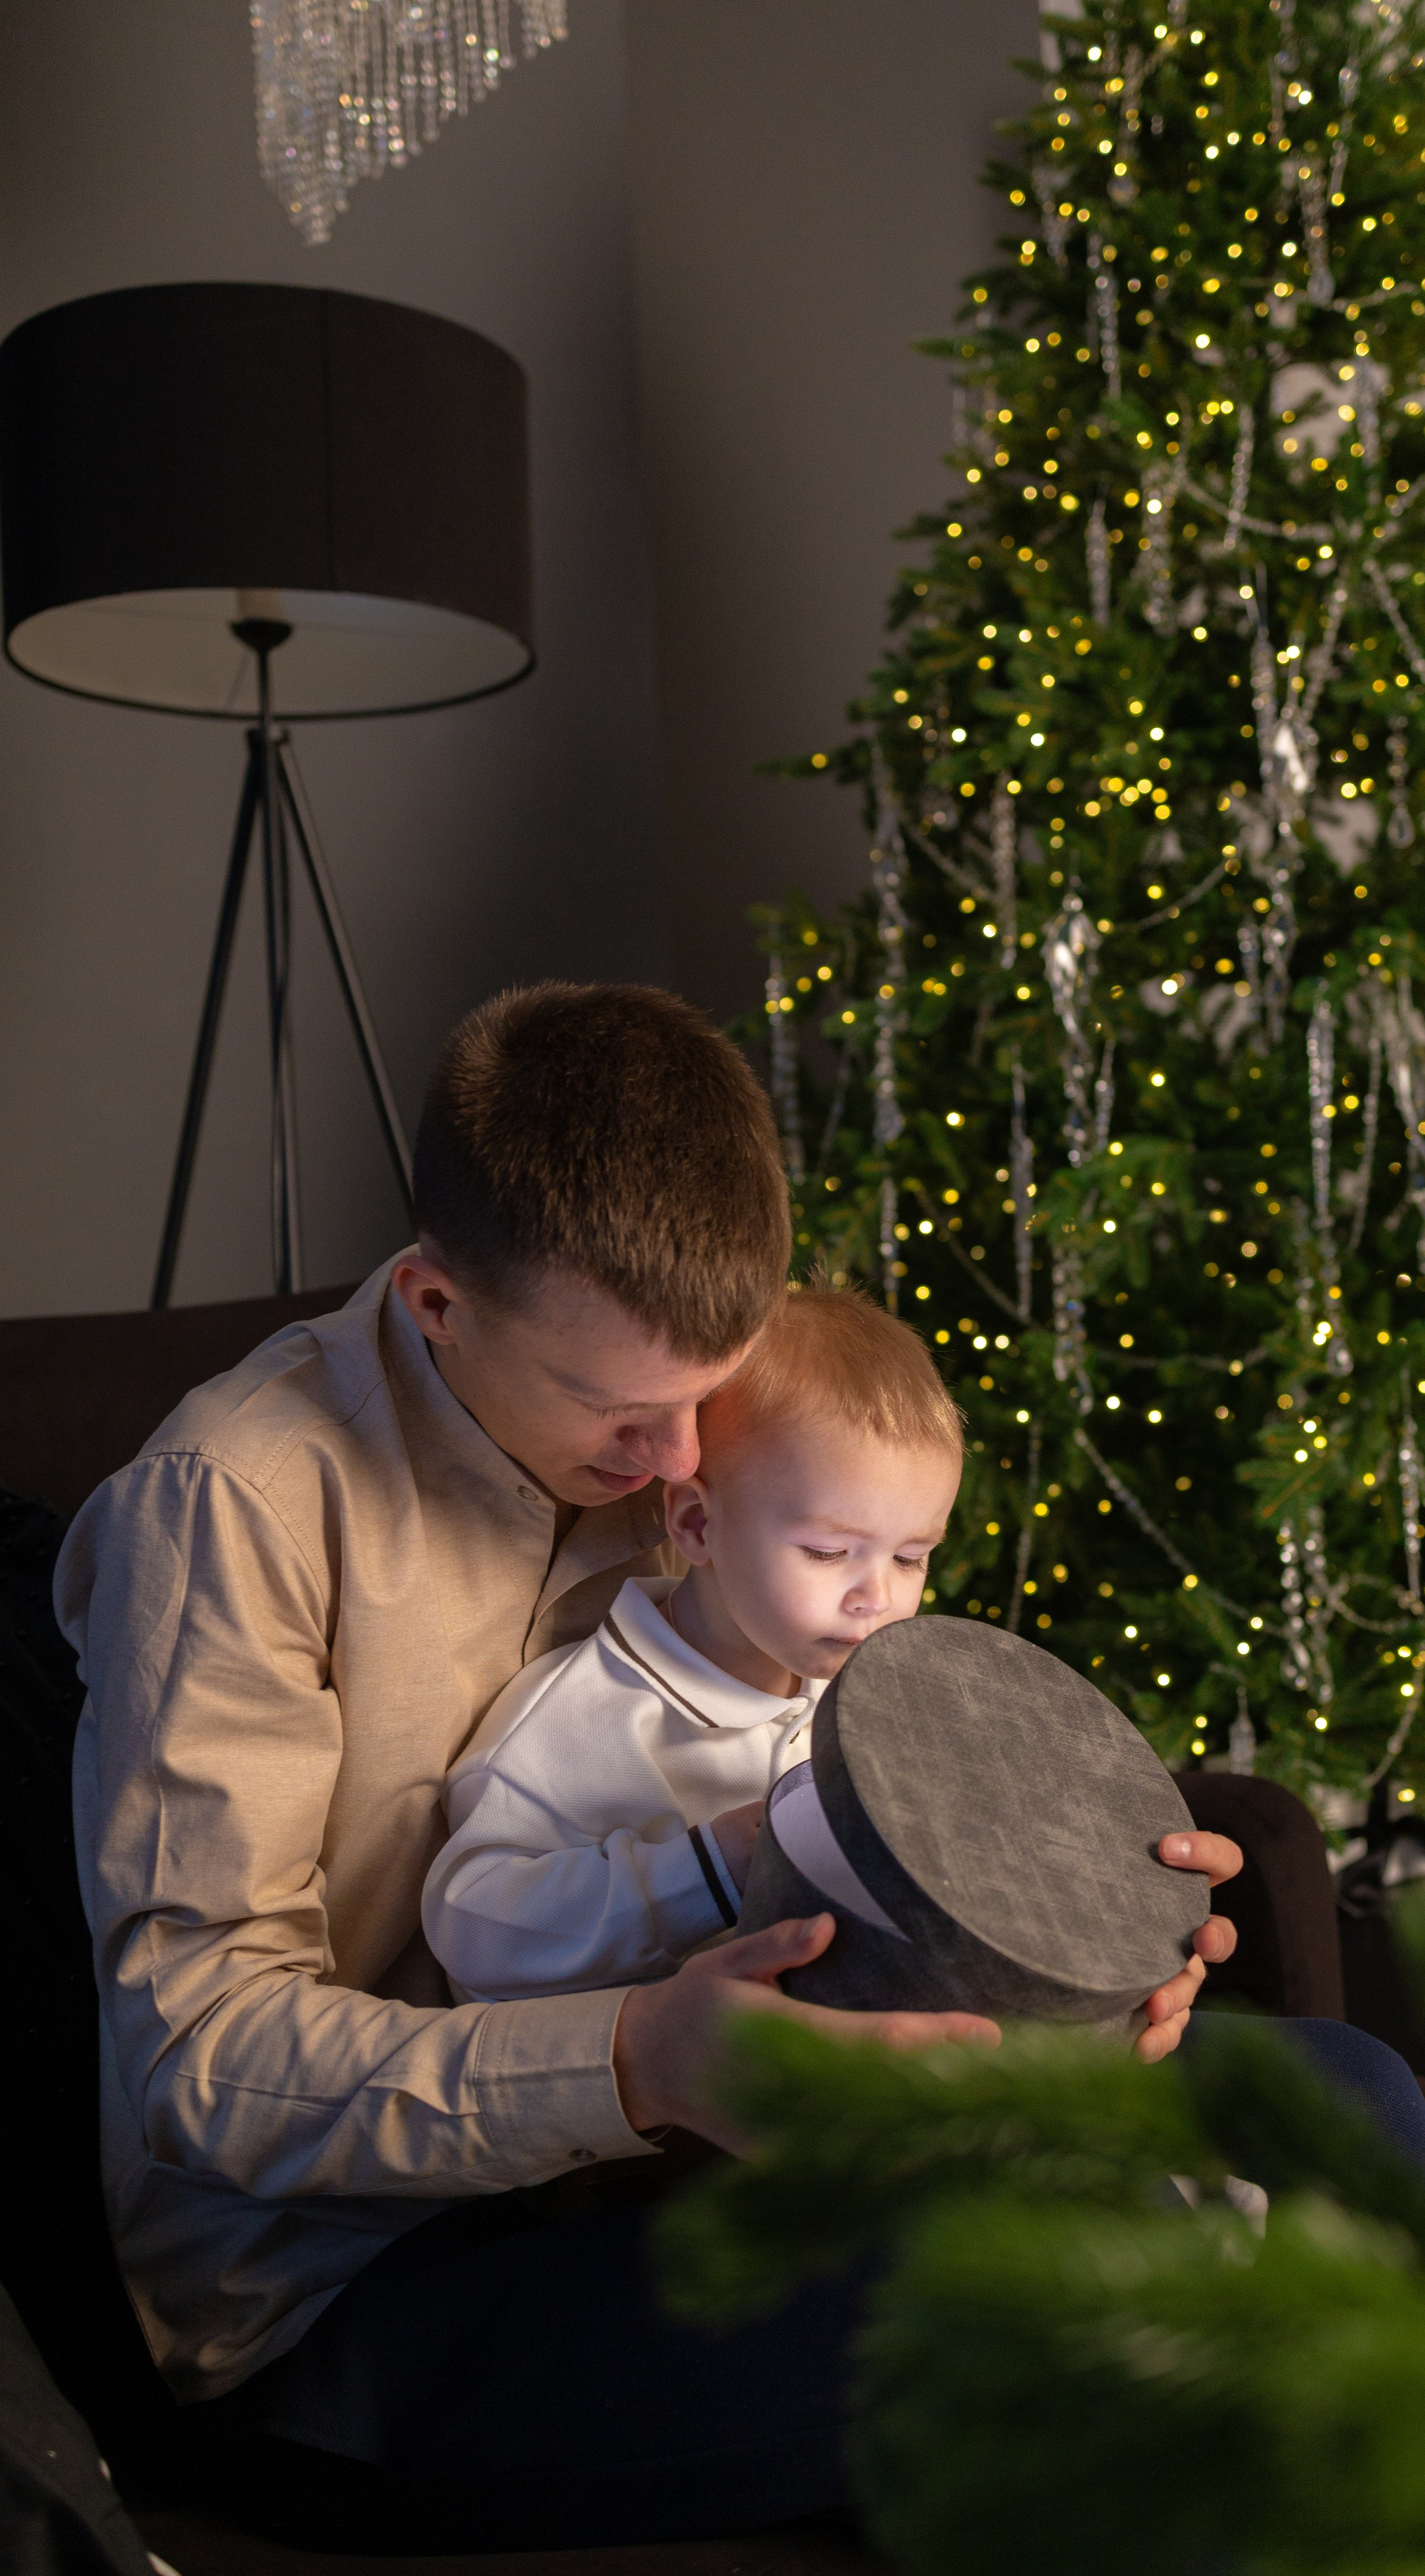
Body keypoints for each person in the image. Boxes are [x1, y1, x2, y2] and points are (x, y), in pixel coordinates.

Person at [58, 981, 1250, 2549]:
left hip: (716, 2162)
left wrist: (1078, 1935)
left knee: (1328, 2103)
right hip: (360, 2288)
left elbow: (870, 1713)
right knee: (1054, 2286)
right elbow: (199, 2064)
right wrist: (640, 2062)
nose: (680, 1465)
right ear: (437, 1304)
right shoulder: (233, 1507)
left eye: (703, 1395)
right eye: (620, 1411)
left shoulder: (694, 1406)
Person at [424, 1285, 963, 2004]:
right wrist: (712, 1866)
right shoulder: (583, 1717)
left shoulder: (862, 1707)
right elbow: (473, 1933)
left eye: (910, 1558)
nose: (878, 1596)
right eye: (828, 1552)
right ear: (697, 1526)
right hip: (617, 2071)